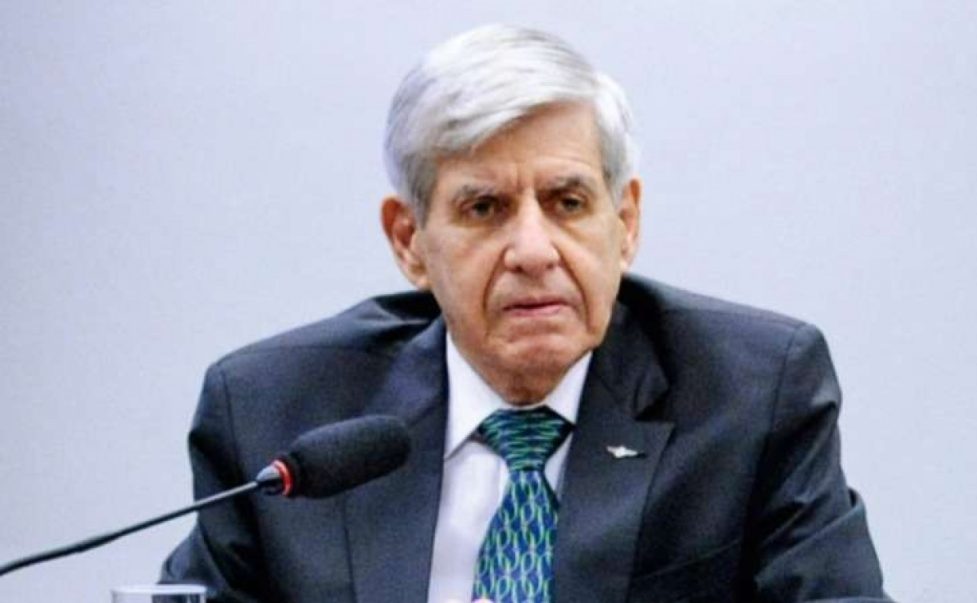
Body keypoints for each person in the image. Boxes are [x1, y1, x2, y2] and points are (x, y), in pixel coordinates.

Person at [161, 24, 891, 602]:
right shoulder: (278, 413)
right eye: (485, 208)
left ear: (624, 223)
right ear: (409, 241)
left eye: (568, 202)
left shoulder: (751, 396)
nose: (534, 251)